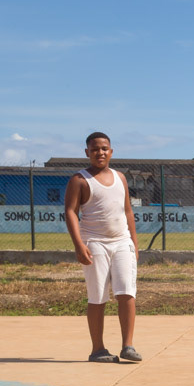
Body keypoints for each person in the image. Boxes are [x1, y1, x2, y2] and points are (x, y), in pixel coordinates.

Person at [64, 131, 142, 363]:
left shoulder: (120, 178)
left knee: (127, 292)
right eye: (95, 149)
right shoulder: (79, 180)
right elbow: (70, 212)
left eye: (104, 148)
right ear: (87, 152)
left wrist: (134, 243)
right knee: (97, 296)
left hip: (121, 243)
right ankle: (97, 350)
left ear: (111, 151)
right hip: (94, 243)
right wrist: (79, 245)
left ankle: (127, 346)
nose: (100, 152)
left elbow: (127, 211)